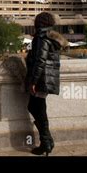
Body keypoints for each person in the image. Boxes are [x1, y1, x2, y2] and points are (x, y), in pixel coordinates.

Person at [25, 12, 68, 156]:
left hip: (41, 79)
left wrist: (33, 81)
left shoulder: (42, 38)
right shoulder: (52, 38)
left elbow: (40, 61)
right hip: (48, 78)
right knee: (37, 107)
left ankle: (46, 142)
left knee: (36, 107)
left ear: (39, 24)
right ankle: (47, 141)